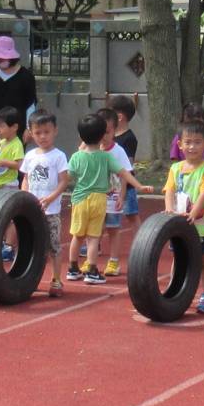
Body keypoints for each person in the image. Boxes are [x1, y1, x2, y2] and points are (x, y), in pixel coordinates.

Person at [66, 114, 150, 285]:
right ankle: (91, 270)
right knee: (94, 236)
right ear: (101, 136)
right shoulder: (106, 157)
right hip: (98, 200)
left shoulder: (76, 156)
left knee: (77, 236)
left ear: (81, 137)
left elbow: (67, 177)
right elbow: (124, 173)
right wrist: (139, 186)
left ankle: (73, 268)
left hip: (79, 199)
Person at [165, 120, 204, 313]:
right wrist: (169, 210)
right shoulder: (175, 168)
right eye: (187, 142)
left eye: (197, 142)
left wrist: (193, 214)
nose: (192, 146)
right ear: (179, 144)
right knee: (178, 259)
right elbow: (169, 190)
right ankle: (174, 290)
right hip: (178, 225)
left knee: (203, 261)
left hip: (199, 225)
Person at [19, 111, 70, 296]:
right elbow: (26, 179)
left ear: (54, 131)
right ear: (31, 133)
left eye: (46, 132)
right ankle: (30, 278)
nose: (42, 136)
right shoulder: (30, 155)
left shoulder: (59, 156)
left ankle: (56, 280)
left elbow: (64, 181)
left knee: (54, 246)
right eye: (38, 132)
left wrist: (51, 198)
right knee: (34, 246)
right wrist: (25, 197)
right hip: (33, 211)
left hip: (51, 211)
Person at [102, 94, 142, 277]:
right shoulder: (104, 136)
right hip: (107, 186)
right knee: (104, 216)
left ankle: (142, 242)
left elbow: (128, 165)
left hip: (124, 185)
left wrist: (124, 188)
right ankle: (94, 245)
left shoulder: (129, 138)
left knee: (132, 215)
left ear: (119, 117)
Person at [0, 106, 25, 261]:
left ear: (14, 127)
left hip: (8, 185)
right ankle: (2, 243)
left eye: (2, 126)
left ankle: (9, 246)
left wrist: (3, 162)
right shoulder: (1, 142)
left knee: (9, 217)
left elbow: (20, 164)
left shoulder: (16, 144)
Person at [0, 35, 38, 120]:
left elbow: (31, 105)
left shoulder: (26, 76)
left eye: (3, 56)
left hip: (17, 128)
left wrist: (28, 128)